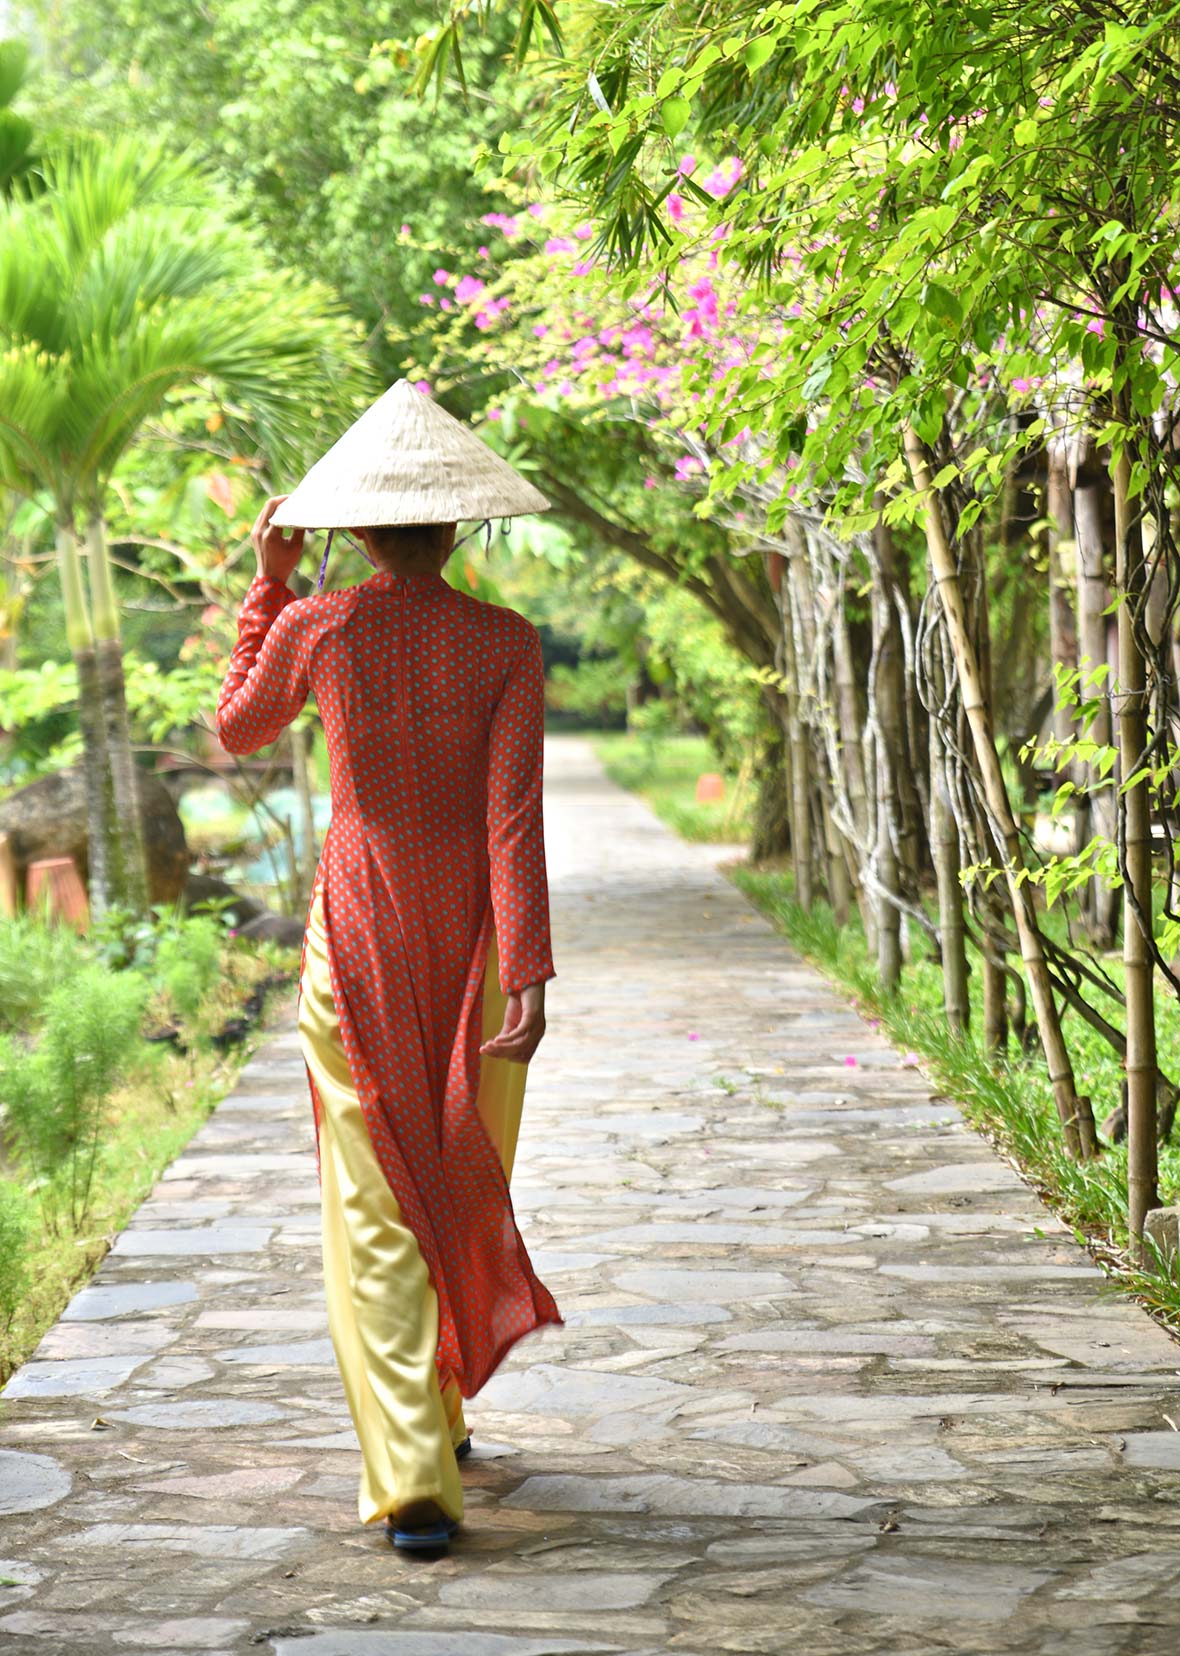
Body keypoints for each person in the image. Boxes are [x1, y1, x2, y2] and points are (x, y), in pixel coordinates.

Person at [215, 380, 561, 1554]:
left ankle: (416, 1474)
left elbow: (237, 730)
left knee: (373, 1199)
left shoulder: (318, 627)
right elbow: (513, 817)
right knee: (460, 1163)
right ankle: (433, 1411)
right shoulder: (507, 643)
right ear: (457, 526)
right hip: (470, 939)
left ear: (351, 529)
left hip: (354, 933)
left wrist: (268, 582)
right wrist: (532, 970)